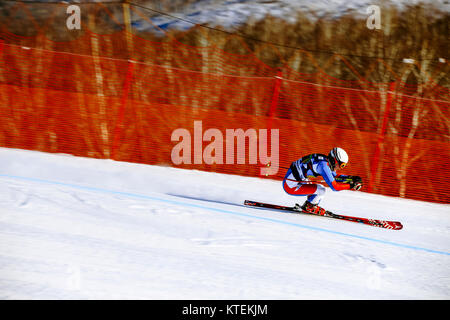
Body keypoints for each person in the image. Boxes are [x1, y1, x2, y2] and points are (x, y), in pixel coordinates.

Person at [283, 147, 363, 215]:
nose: (340, 168)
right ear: (335, 160)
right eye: (341, 165)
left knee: (318, 188)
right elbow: (335, 187)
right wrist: (351, 186)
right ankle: (310, 207)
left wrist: (351, 178)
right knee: (321, 190)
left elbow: (334, 176)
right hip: (290, 185)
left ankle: (310, 204)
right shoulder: (323, 166)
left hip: (294, 180)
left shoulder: (324, 161)